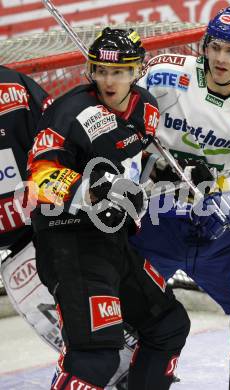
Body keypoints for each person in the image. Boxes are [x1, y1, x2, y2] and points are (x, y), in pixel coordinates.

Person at [131, 6, 230, 390]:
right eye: (216, 47)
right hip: (151, 221)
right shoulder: (163, 74)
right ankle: (123, 376)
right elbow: (120, 119)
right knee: (122, 310)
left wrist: (226, 204)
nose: (221, 58)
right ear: (204, 45)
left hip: (216, 230)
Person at [27, 27, 190, 390]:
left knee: (168, 324)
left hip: (113, 240)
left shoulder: (146, 107)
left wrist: (167, 173)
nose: (107, 80)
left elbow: (137, 160)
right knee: (95, 356)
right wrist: (98, 191)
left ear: (137, 71)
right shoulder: (70, 112)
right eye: (100, 70)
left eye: (118, 71)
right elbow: (40, 176)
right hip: (69, 239)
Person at [0, 65, 63, 350]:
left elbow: (55, 136)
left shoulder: (14, 86)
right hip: (33, 223)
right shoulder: (14, 83)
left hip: (36, 229)